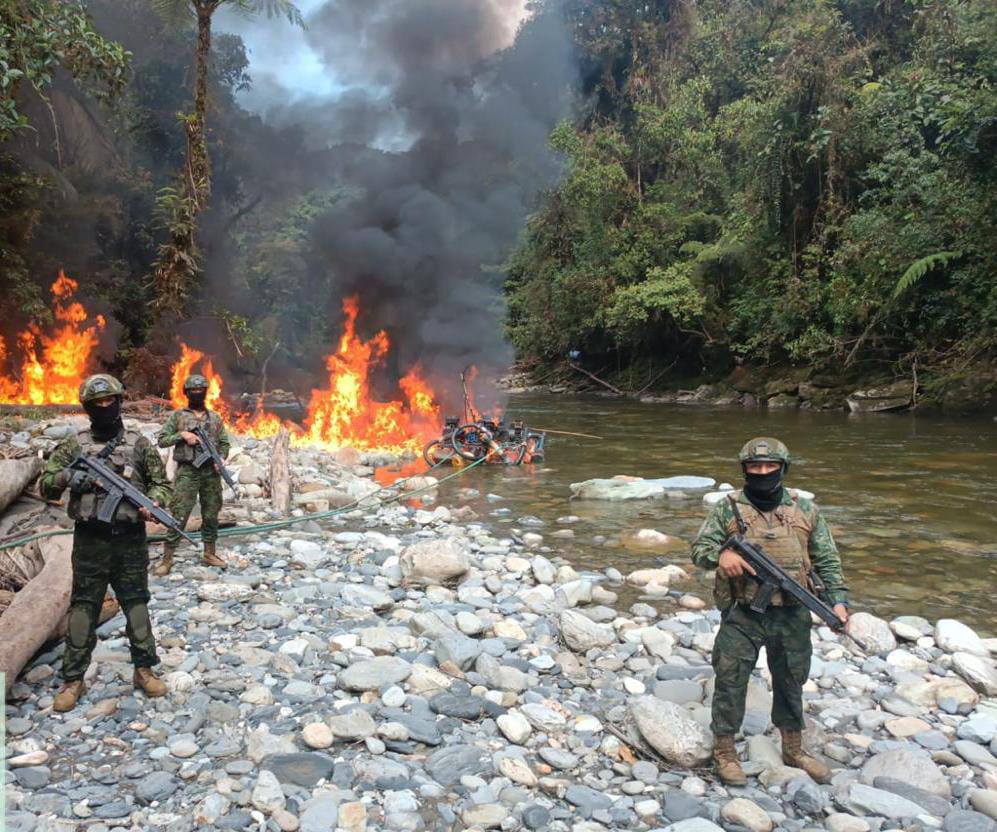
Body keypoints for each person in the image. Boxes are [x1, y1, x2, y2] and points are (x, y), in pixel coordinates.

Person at [691, 437, 849, 785]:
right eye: (755, 467)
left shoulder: (805, 509)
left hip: (793, 613)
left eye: (769, 466)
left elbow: (827, 560)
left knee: (792, 678)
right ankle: (725, 751)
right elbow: (700, 548)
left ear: (782, 468)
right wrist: (722, 556)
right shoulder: (728, 508)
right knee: (731, 680)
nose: (762, 472)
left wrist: (838, 600)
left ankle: (794, 747)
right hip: (744, 612)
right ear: (745, 469)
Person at [40, 374, 170, 712]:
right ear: (86, 407)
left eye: (109, 401)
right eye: (97, 404)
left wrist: (151, 503)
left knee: (137, 604)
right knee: (84, 608)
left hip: (130, 541)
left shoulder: (139, 444)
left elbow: (161, 484)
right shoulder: (74, 445)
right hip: (90, 541)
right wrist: (71, 477)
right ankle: (73, 680)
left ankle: (143, 670)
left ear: (119, 401)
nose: (104, 408)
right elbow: (47, 486)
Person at [155, 373, 230, 574]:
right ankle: (167, 558)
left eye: (200, 390)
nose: (197, 393)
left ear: (205, 392)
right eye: (193, 391)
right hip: (188, 471)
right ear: (187, 393)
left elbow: (224, 443)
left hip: (210, 473)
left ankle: (209, 552)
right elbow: (162, 439)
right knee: (179, 513)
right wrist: (182, 435)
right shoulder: (178, 416)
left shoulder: (214, 418)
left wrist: (221, 458)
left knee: (211, 513)